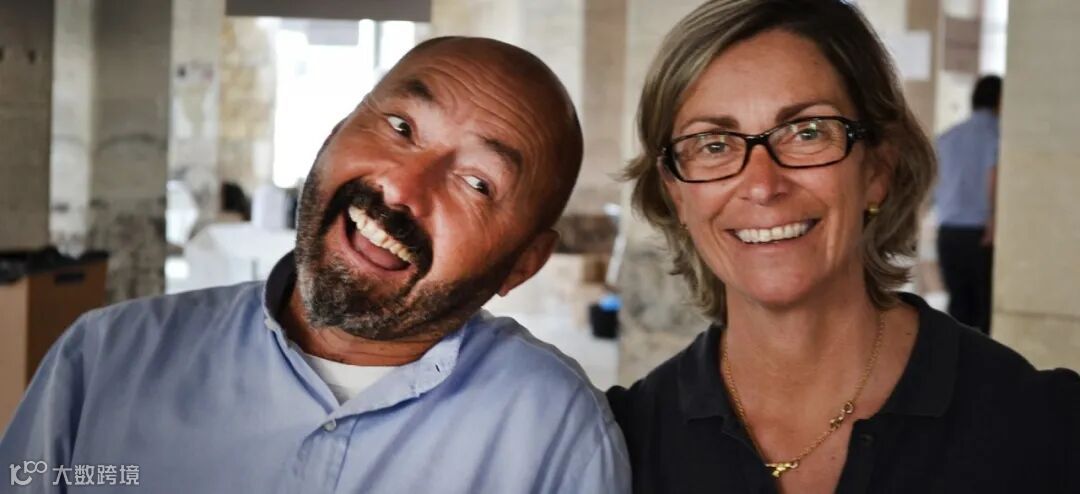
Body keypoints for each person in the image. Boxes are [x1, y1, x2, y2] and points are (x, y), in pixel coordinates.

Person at [1, 37, 630, 493]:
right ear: (334, 133)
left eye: (476, 182)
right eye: (399, 126)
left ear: (521, 264)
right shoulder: (107, 360)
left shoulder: (554, 436)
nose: (402, 187)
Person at [607, 1, 1080, 493]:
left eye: (808, 132)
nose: (763, 185)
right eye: (714, 144)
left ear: (877, 169)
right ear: (676, 192)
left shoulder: (1046, 430)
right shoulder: (620, 446)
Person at [934, 75, 1002, 334]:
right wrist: (993, 220)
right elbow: (993, 176)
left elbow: (933, 184)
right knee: (984, 312)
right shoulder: (997, 134)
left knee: (958, 311)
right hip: (981, 234)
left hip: (948, 232)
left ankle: (954, 360)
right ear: (1000, 100)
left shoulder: (947, 136)